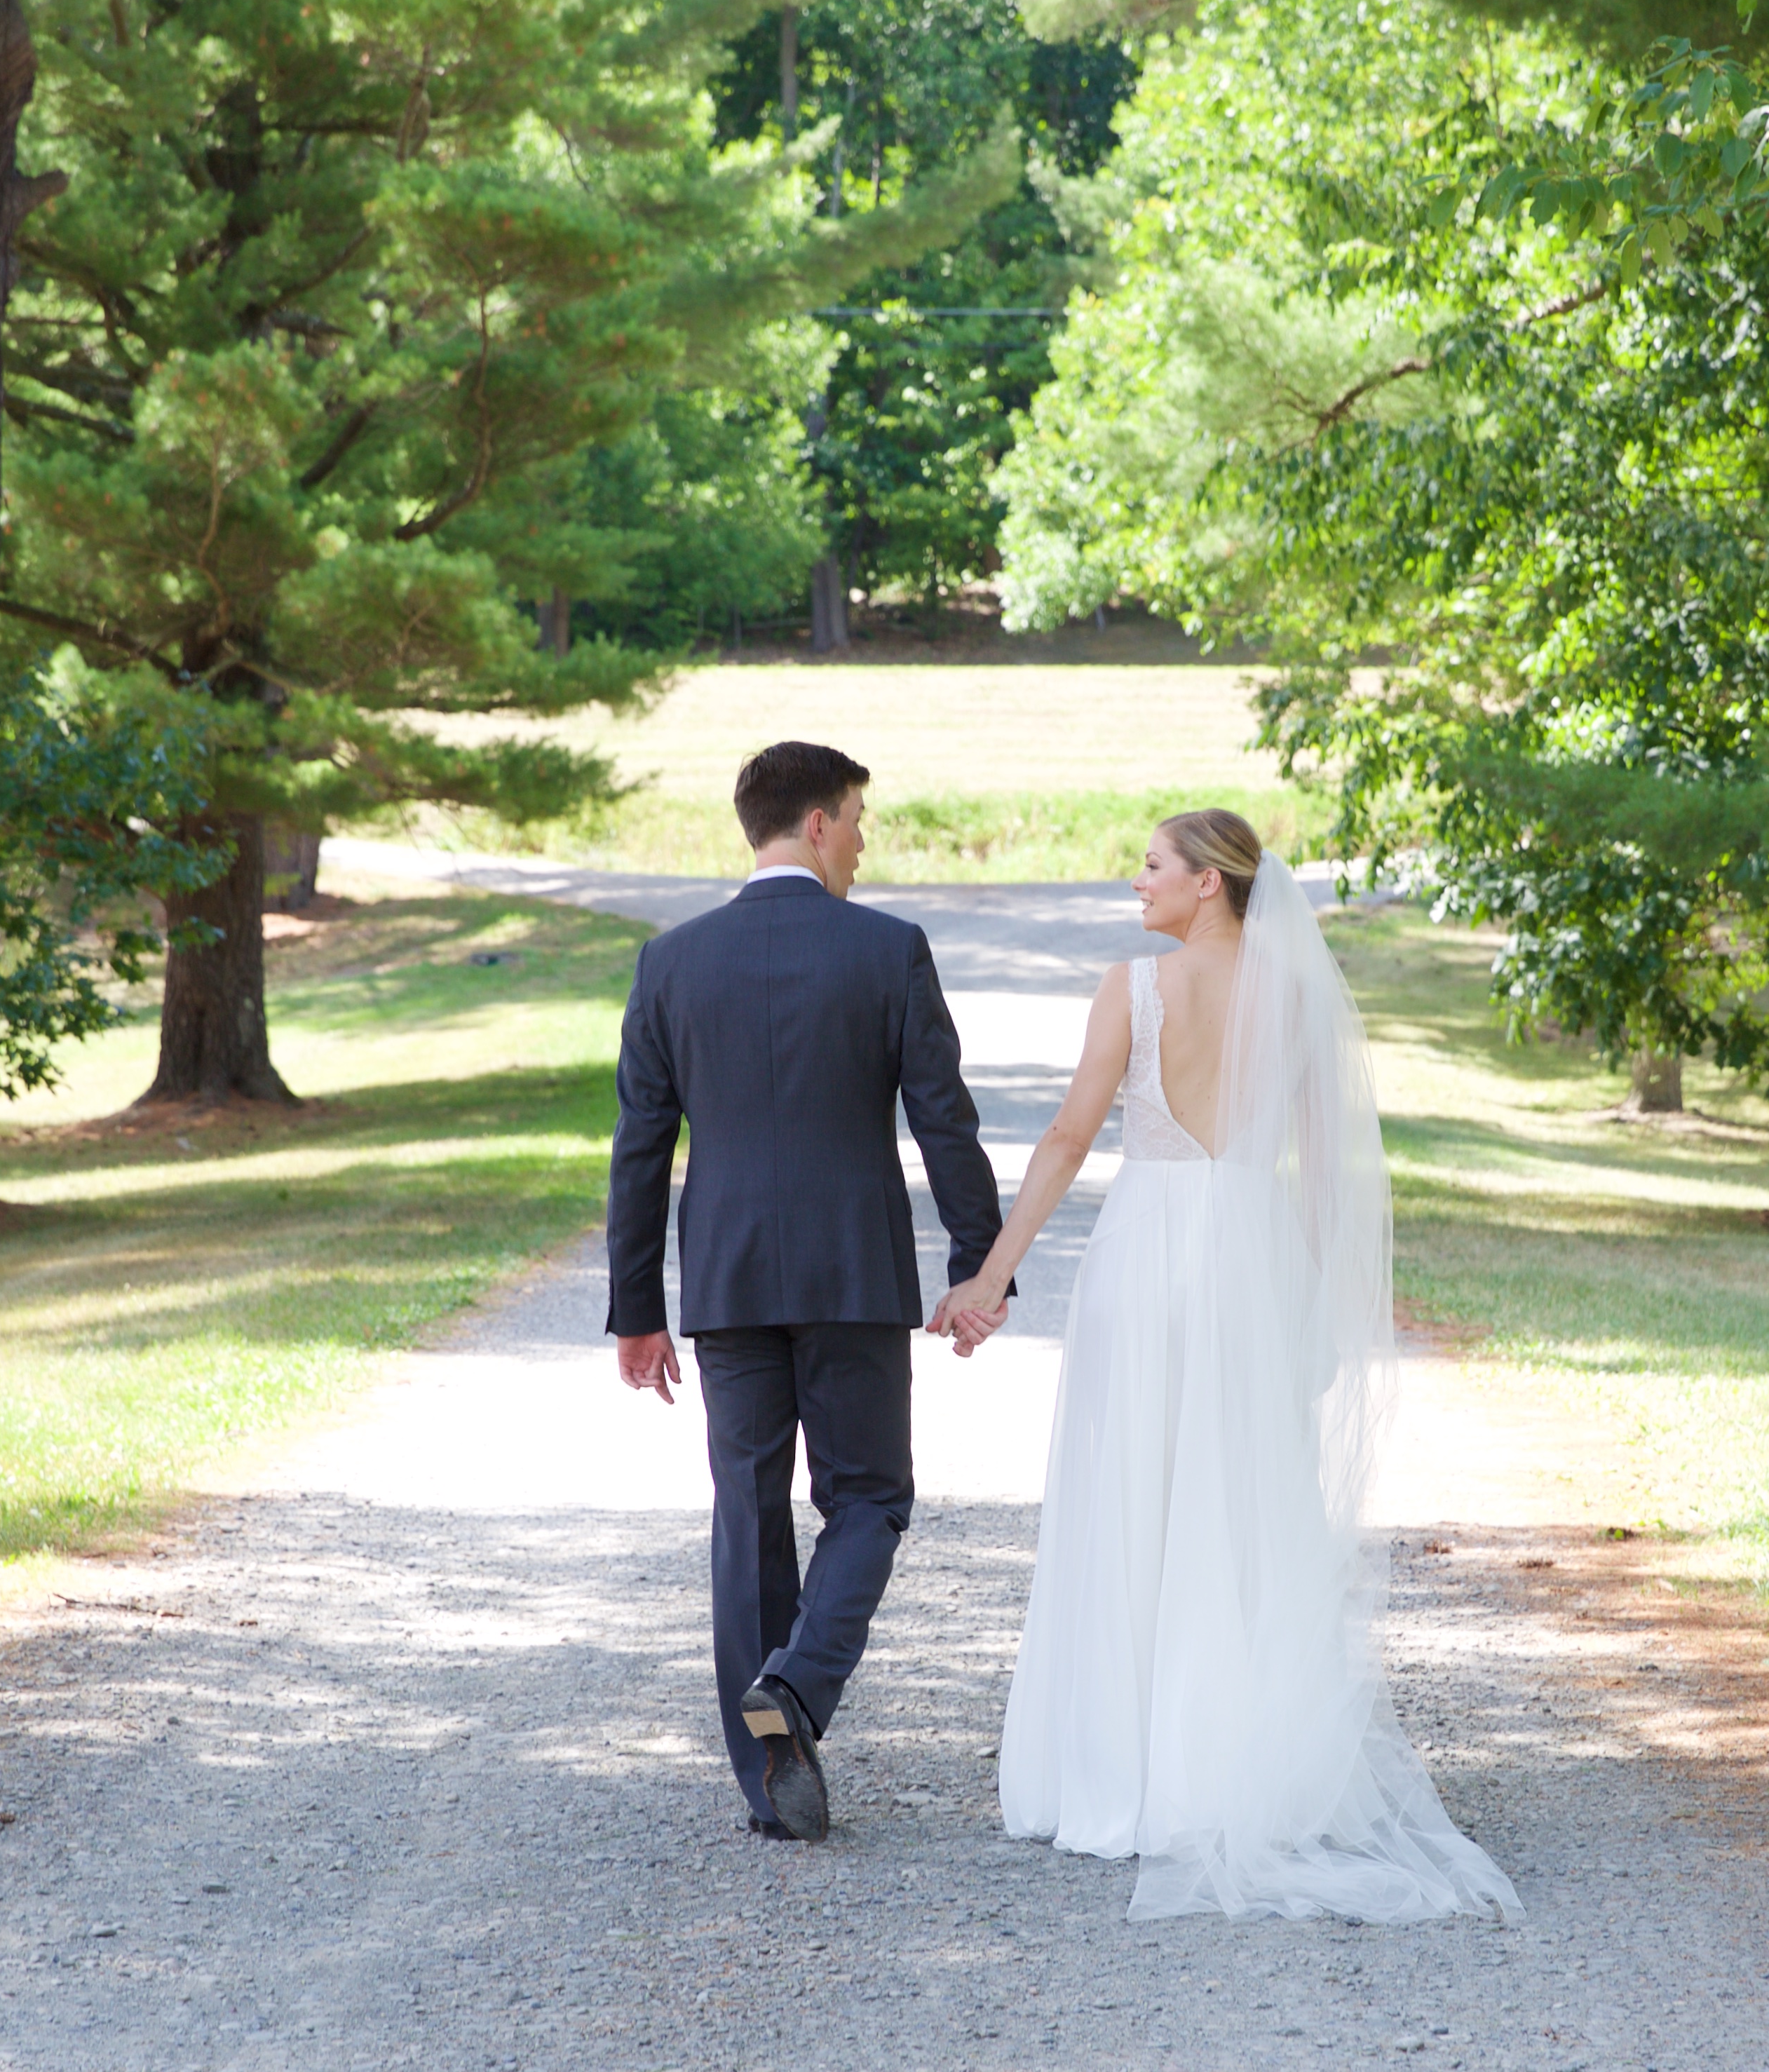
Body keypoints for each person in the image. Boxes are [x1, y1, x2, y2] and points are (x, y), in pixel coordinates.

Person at [930, 810, 1521, 1922]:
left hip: (1149, 1256)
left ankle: (1123, 1777)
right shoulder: (1298, 999)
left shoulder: (1134, 990)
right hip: (1251, 1259)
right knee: (1244, 1508)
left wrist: (990, 1280)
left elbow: (1066, 1139)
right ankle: (1240, 1768)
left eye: (1151, 867)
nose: (1136, 885)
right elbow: (1324, 1175)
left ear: (1209, 884)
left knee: (1132, 1496)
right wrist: (1312, 1299)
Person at [606, 740, 1012, 1843]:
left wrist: (636, 1306)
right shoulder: (887, 951)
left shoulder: (673, 963)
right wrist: (982, 1263)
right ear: (822, 823)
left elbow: (641, 1147)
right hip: (852, 1274)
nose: (864, 847)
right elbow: (945, 1121)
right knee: (869, 1498)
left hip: (728, 1282)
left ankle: (770, 1786)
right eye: (861, 825)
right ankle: (796, 1689)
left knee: (747, 1515)